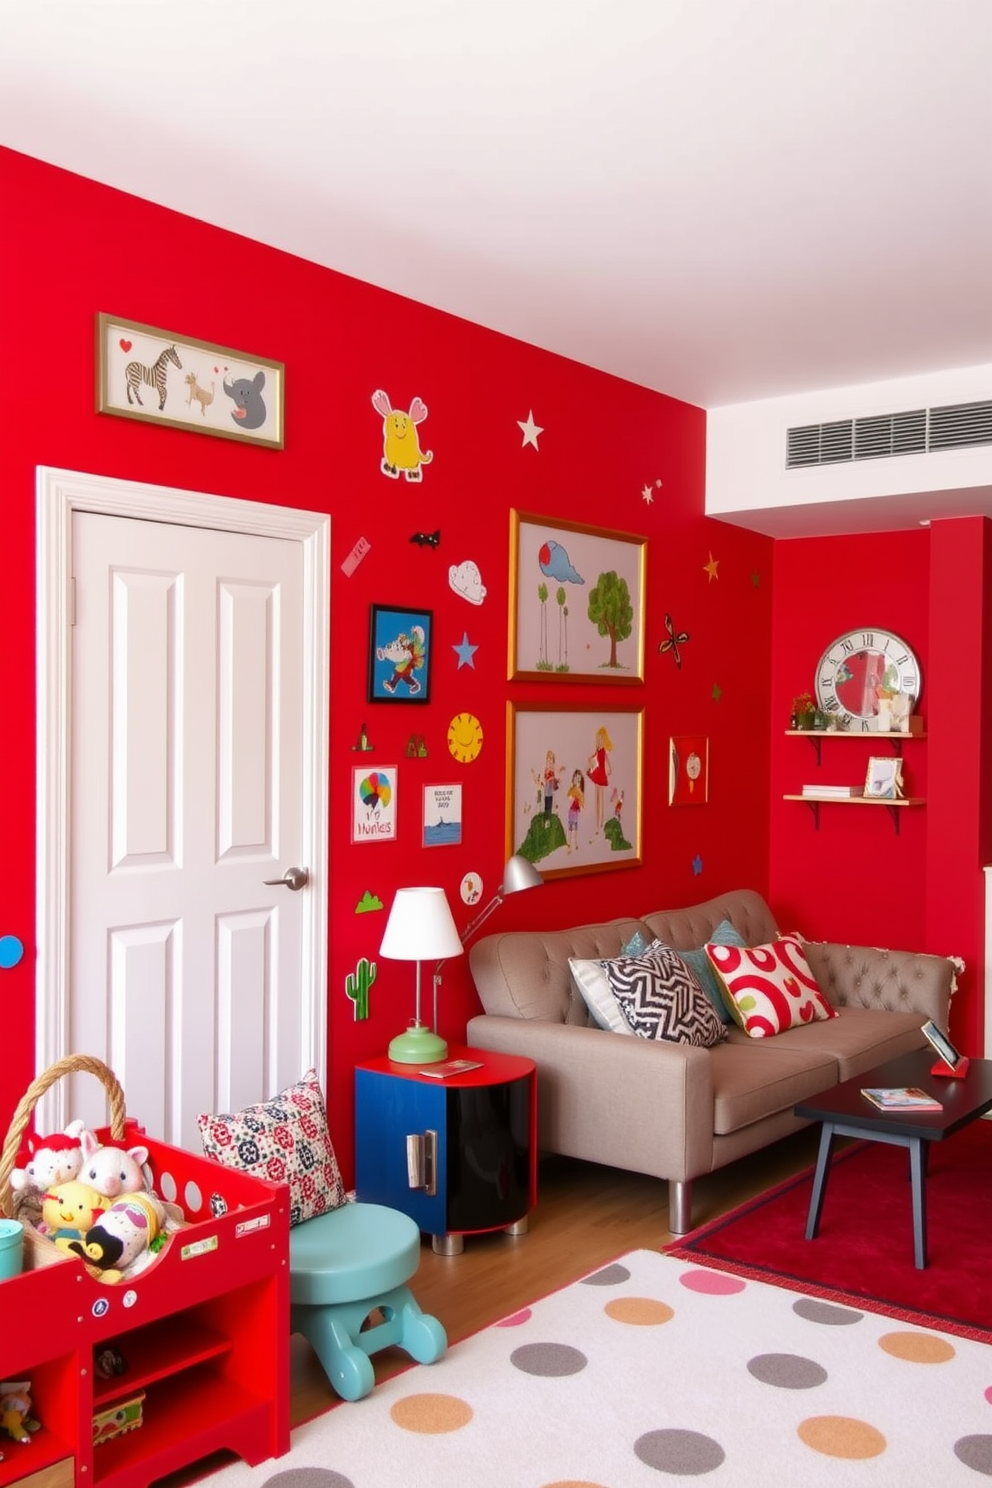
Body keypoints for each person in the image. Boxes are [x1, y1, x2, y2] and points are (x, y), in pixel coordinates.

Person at [586, 726, 613, 829]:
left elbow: (605, 762)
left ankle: (600, 823)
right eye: (599, 739)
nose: (600, 741)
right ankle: (598, 822)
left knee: (600, 799)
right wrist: (590, 759)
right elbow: (593, 759)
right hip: (597, 773)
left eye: (601, 739)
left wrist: (608, 769)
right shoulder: (598, 750)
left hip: (600, 774)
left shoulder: (603, 751)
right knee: (597, 798)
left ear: (603, 740)